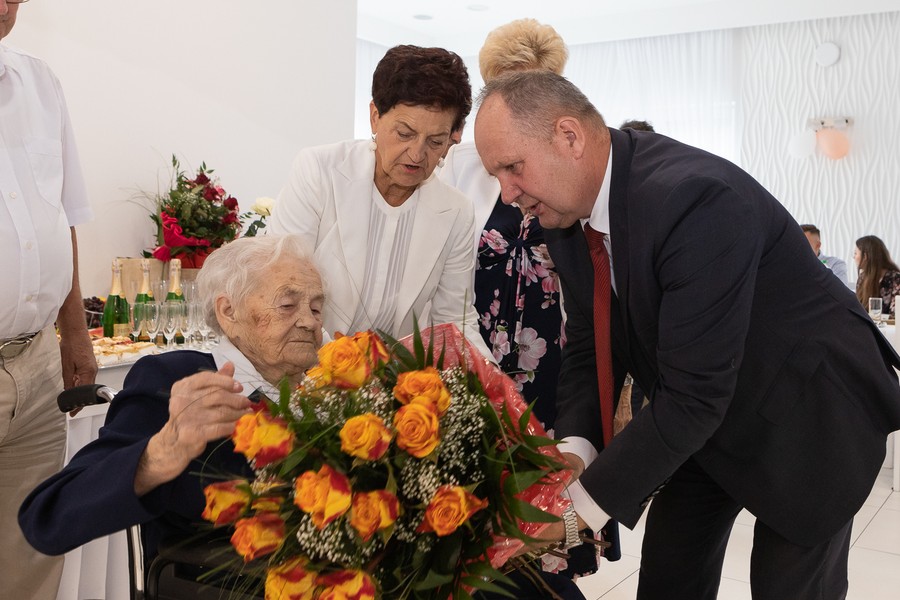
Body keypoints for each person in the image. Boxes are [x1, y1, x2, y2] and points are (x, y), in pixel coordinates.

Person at [473, 71, 900, 600]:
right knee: (671, 574)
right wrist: (575, 452)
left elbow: (695, 397)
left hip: (810, 414)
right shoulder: (563, 214)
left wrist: (572, 513)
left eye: (513, 168)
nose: (507, 193)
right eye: (496, 175)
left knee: (787, 586)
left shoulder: (692, 198)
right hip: (706, 416)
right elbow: (589, 343)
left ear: (569, 136)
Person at [19, 235, 325, 597]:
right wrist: (160, 452)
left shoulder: (335, 391)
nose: (309, 321)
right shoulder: (177, 379)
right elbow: (50, 518)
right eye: (288, 305)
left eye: (317, 308)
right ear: (229, 313)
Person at [439, 19, 606, 584]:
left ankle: (553, 573)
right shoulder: (463, 167)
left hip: (555, 353)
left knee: (550, 479)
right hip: (481, 349)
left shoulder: (570, 166)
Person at [270, 45, 491, 359]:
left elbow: (455, 322)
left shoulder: (455, 211)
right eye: (404, 133)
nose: (417, 154)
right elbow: (282, 287)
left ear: (453, 137)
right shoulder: (319, 171)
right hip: (305, 368)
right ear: (375, 117)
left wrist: (495, 389)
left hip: (395, 384)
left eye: (435, 142)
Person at [1, 2, 97, 597]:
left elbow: (62, 217)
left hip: (35, 365)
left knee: (32, 552)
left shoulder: (40, 83)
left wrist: (76, 333)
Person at [854, 234, 900, 317]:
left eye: (855, 253)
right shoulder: (862, 277)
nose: (854, 257)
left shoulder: (896, 278)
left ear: (865, 256)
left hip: (890, 328)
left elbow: (896, 314)